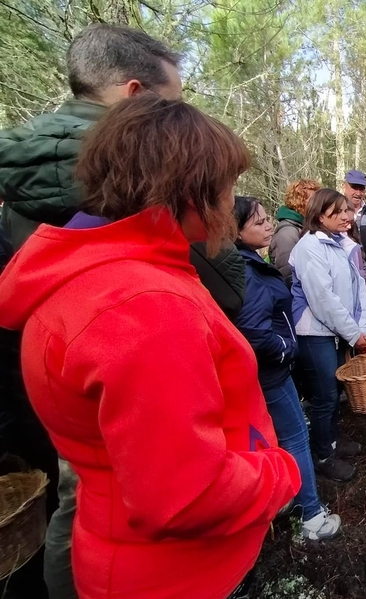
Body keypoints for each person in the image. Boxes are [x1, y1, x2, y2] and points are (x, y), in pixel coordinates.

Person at [0, 95, 300, 599]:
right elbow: (185, 495)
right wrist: (280, 472)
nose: (232, 204)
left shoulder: (90, 276)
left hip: (123, 546)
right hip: (177, 575)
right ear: (191, 194)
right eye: (228, 189)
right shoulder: (143, 307)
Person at [0, 23, 193, 599]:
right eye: (171, 106)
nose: (175, 121)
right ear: (135, 95)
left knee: (77, 492)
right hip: (124, 360)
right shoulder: (137, 166)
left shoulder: (21, 165)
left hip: (39, 366)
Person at [232, 196, 341, 541]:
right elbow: (254, 332)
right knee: (295, 436)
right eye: (258, 222)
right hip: (271, 374)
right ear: (235, 231)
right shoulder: (246, 272)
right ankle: (311, 514)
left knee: (271, 437)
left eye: (267, 219)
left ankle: (281, 496)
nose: (268, 225)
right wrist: (285, 350)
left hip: (267, 371)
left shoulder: (246, 263)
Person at [290, 189, 366, 483]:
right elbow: (322, 299)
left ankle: (334, 440)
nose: (347, 216)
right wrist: (353, 333)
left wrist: (361, 329)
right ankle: (323, 455)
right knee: (324, 396)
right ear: (319, 215)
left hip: (336, 332)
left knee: (334, 391)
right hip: (315, 333)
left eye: (347, 210)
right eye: (338, 212)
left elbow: (357, 287)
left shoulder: (343, 244)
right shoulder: (309, 247)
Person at [270, 179, 321, 285]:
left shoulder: (304, 227)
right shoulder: (287, 233)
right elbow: (288, 275)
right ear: (299, 201)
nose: (318, 204)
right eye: (313, 200)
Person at [342, 170, 366, 274]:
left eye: (361, 189)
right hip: (344, 272)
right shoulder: (335, 210)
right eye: (354, 188)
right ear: (344, 187)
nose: (358, 193)